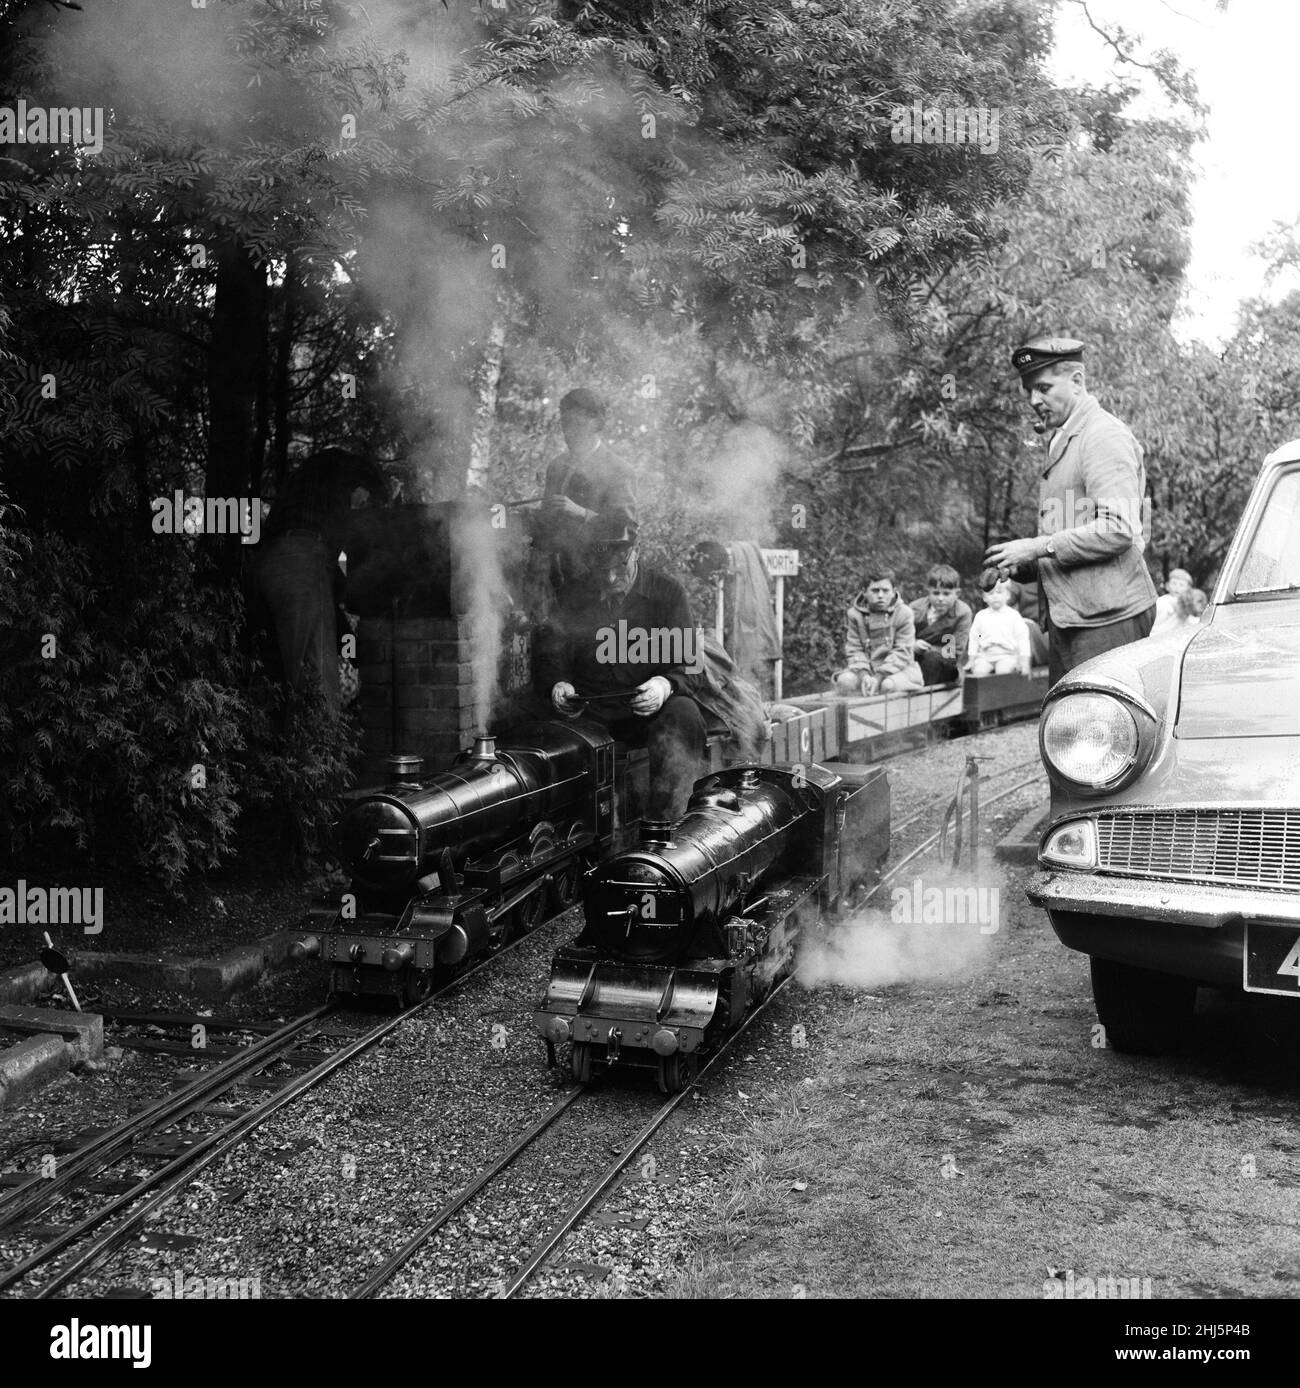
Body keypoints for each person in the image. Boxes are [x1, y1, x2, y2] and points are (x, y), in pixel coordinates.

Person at [985, 338, 1158, 686]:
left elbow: (1118, 529)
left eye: (1044, 388)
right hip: (1077, 619)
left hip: (1108, 619)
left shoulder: (1101, 435)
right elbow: (1071, 535)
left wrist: (1036, 546)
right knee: (1072, 732)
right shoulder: (1065, 439)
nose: (1034, 400)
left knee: (1102, 733)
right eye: (1029, 391)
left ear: (1077, 381)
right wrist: (1020, 565)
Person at [535, 513, 707, 821]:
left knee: (685, 716)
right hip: (589, 714)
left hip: (648, 714)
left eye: (620, 568)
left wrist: (663, 685)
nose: (612, 579)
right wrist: (558, 685)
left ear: (637, 552)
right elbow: (550, 652)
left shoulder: (668, 594)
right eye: (603, 571)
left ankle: (666, 824)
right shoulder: (572, 594)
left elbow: (692, 666)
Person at [249, 448, 383, 714]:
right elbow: (346, 549)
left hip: (266, 564)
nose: (362, 507)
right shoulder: (339, 483)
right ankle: (321, 750)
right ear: (360, 485)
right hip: (300, 563)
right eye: (366, 499)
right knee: (317, 677)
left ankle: (278, 746)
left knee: (278, 671)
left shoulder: (309, 479)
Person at [537, 387, 638, 593]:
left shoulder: (619, 470)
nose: (568, 432)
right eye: (565, 424)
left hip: (599, 582)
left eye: (576, 424)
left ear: (596, 424)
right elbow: (546, 528)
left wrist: (581, 513)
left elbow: (626, 530)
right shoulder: (557, 466)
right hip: (557, 583)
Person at [833, 569, 923, 694]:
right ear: (864, 592)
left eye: (885, 591)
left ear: (894, 592)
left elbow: (902, 651)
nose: (880, 595)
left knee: (888, 685)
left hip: (899, 670)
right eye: (875, 590)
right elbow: (854, 649)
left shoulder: (904, 613)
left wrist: (879, 677)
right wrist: (864, 675)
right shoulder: (854, 615)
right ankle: (854, 711)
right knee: (845, 681)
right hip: (866, 669)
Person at [907, 564, 973, 685]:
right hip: (914, 658)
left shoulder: (962, 612)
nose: (941, 598)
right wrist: (913, 645)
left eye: (946, 594)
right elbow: (902, 638)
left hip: (946, 664)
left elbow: (956, 651)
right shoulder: (915, 608)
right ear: (928, 592)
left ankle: (926, 697)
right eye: (936, 593)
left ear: (957, 594)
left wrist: (929, 650)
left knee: (931, 658)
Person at [966, 572, 1032, 677]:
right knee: (979, 672)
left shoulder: (1013, 616)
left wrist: (1024, 662)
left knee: (1003, 671)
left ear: (1007, 595)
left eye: (999, 592)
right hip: (985, 655)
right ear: (984, 597)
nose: (995, 596)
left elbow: (1022, 639)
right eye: (991, 594)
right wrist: (971, 660)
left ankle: (1001, 692)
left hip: (1007, 655)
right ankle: (985, 693)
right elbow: (975, 637)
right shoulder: (981, 616)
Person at [1006, 580, 1049, 667]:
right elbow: (1006, 603)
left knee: (1025, 627)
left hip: (1051, 629)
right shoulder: (1020, 581)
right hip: (1030, 624)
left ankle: (1025, 665)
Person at [1149, 568, 1193, 639]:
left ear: (1188, 588)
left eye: (1181, 585)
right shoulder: (1161, 601)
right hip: (1156, 637)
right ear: (1167, 586)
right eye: (1174, 583)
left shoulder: (1188, 604)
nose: (1177, 587)